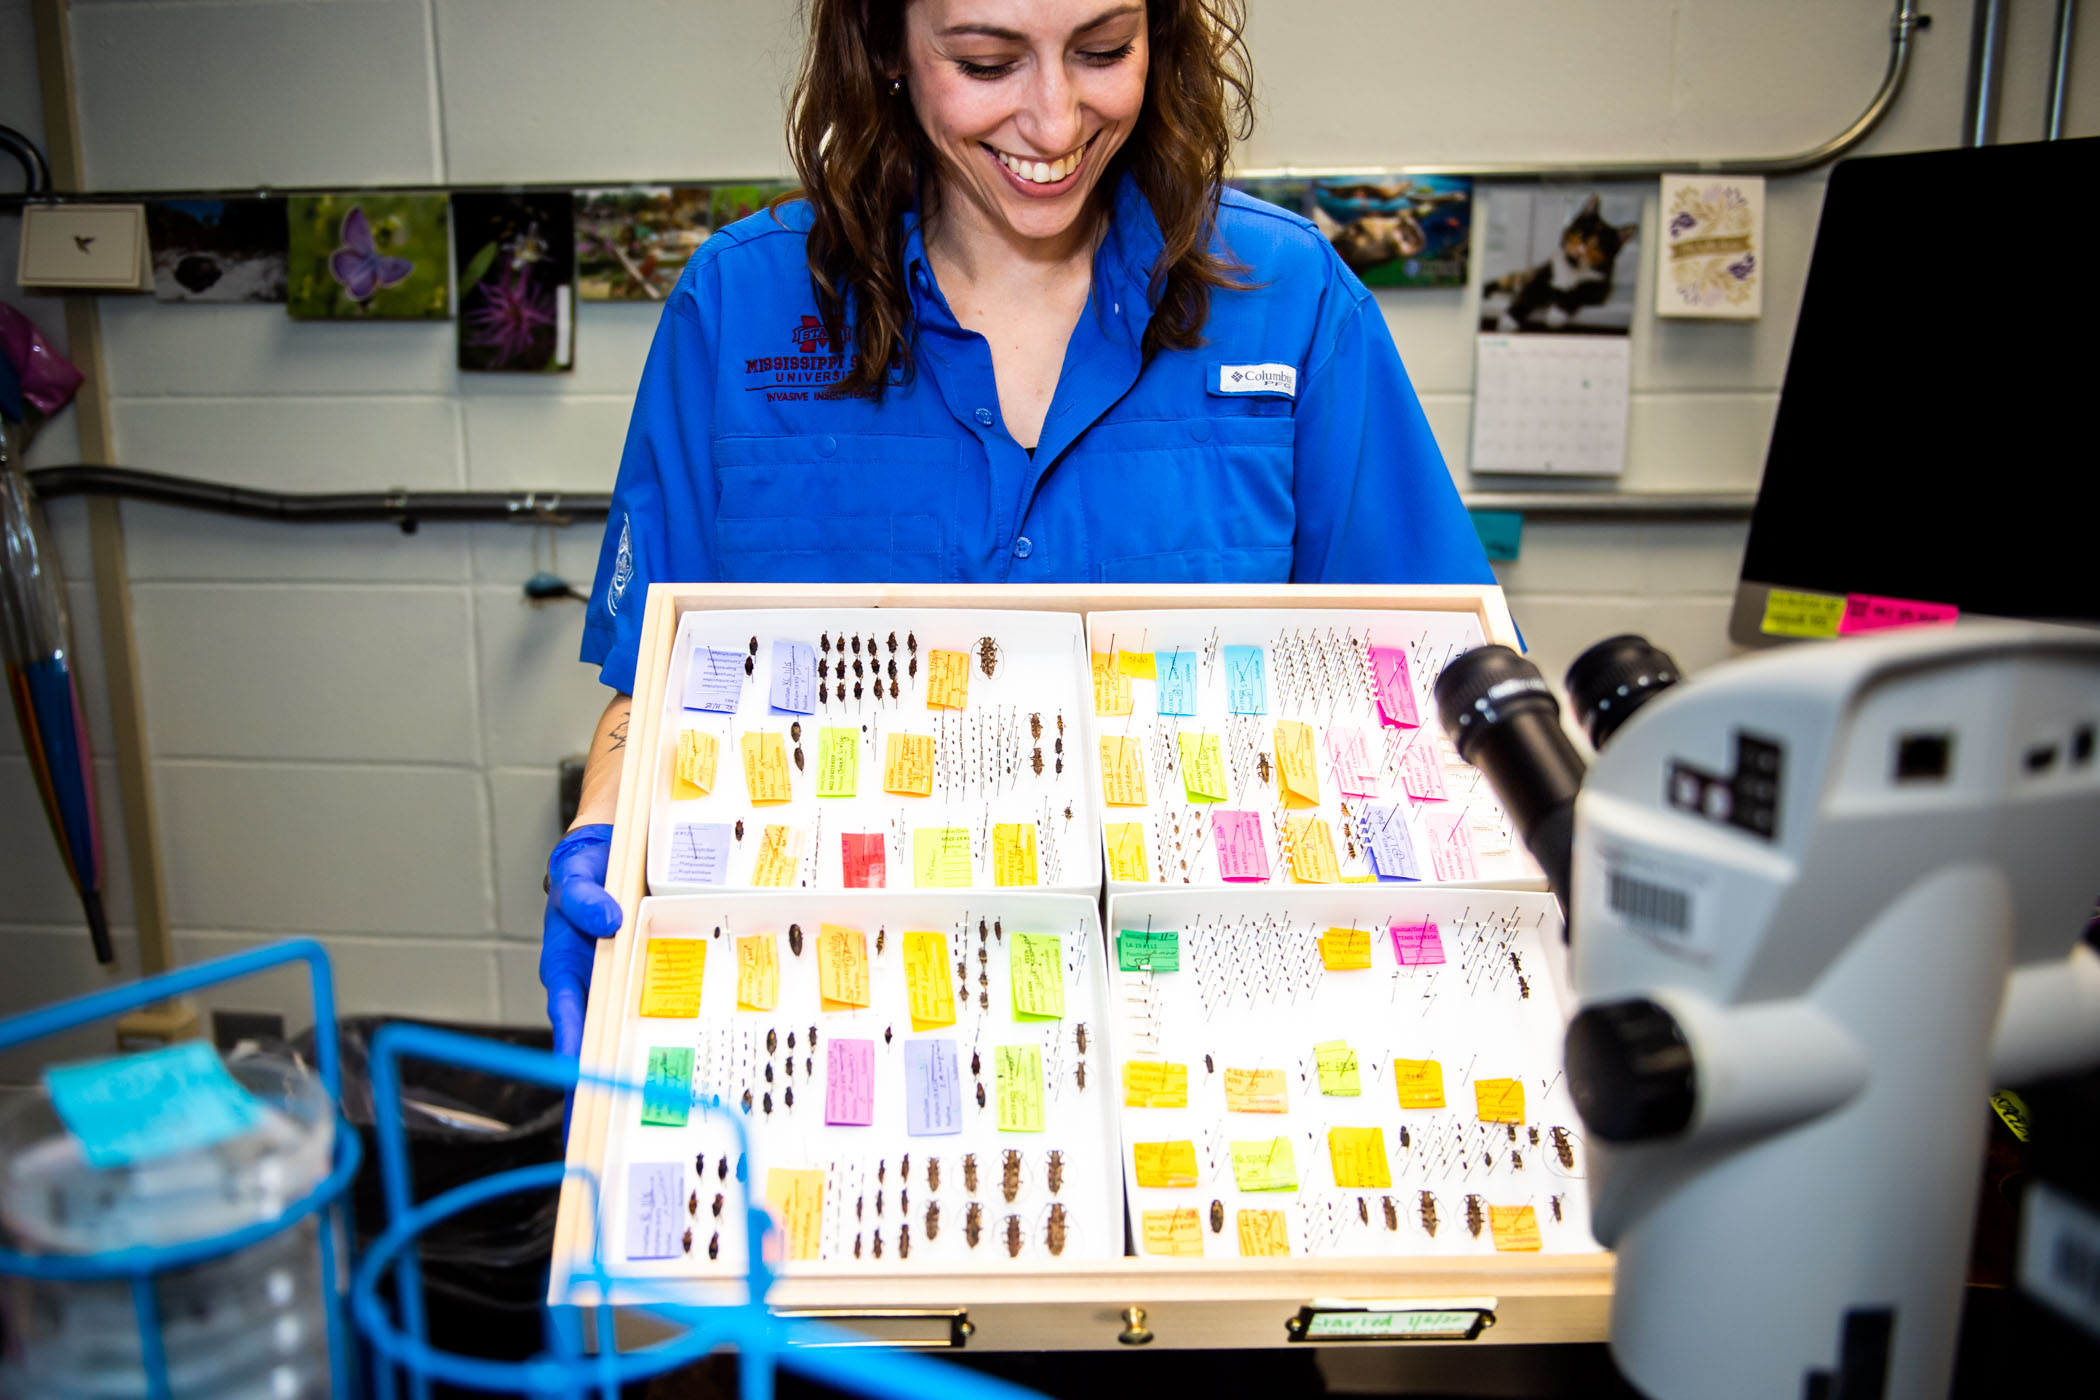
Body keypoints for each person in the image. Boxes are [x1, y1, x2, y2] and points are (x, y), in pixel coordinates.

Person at [540, 0, 1496, 1056]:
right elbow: (656, 687)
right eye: (987, 61)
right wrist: (604, 828)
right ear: (886, 48)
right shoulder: (740, 308)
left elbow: (1436, 680)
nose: (1053, 122)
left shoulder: (1289, 301)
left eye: (1102, 51)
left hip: (1206, 1038)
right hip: (846, 1022)